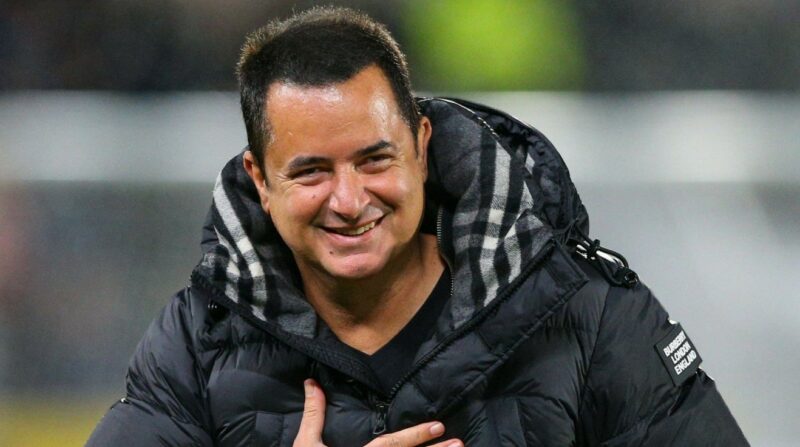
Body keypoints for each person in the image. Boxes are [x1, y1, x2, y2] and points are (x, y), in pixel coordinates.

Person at [87, 6, 748, 446]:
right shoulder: (196, 344)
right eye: (312, 171)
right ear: (260, 180)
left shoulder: (590, 314)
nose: (349, 200)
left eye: (374, 160)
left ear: (422, 147)